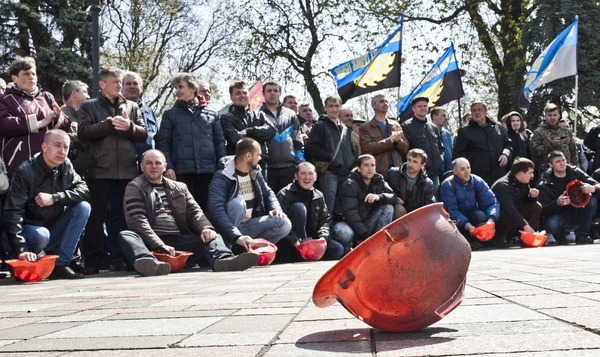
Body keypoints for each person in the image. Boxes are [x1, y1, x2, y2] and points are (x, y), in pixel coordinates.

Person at [119, 149, 259, 276]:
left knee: (212, 235)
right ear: (142, 166)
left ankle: (225, 260)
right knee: (126, 235)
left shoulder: (180, 187)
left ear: (165, 166)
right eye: (149, 163)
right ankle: (150, 264)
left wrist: (206, 228)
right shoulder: (134, 187)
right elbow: (137, 221)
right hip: (150, 243)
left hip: (178, 241)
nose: (154, 166)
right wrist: (160, 245)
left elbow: (195, 213)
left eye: (157, 163)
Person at [78, 66, 148, 274]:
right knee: (96, 217)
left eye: (120, 82)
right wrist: (108, 125)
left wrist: (130, 128)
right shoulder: (88, 106)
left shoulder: (132, 107)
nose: (120, 85)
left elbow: (143, 133)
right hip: (99, 170)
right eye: (115, 82)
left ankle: (122, 257)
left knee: (123, 217)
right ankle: (93, 260)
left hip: (127, 171)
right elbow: (83, 133)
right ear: (102, 85)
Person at [2, 130, 90, 279]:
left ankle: (61, 265)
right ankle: (25, 260)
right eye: (57, 145)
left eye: (65, 147)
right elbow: (12, 212)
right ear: (44, 147)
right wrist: (21, 249)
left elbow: (84, 189)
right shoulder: (26, 171)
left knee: (83, 207)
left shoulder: (65, 165)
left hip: (52, 229)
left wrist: (55, 198)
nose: (62, 151)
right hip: (28, 234)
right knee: (42, 235)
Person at [155, 73, 225, 209]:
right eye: (176, 87)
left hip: (208, 172)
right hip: (181, 173)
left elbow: (219, 143)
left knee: (207, 210)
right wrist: (168, 166)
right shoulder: (170, 114)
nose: (177, 91)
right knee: (184, 212)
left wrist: (221, 167)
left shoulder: (211, 113)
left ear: (193, 88)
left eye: (181, 87)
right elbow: (163, 142)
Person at [206, 138, 292, 250]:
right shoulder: (223, 176)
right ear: (248, 156)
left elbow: (268, 192)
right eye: (259, 155)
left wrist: (275, 208)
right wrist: (235, 236)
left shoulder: (255, 171)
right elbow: (216, 210)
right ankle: (226, 252)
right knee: (238, 204)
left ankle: (251, 251)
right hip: (227, 230)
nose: (260, 158)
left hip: (249, 226)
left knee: (284, 223)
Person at [0, 57, 70, 178]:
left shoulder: (47, 97)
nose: (31, 77)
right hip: (19, 167)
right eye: (26, 74)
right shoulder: (5, 99)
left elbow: (65, 128)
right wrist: (38, 123)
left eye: (33, 73)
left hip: (49, 166)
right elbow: (3, 125)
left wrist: (58, 117)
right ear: (14, 78)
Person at [276, 163, 345, 261]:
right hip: (292, 243)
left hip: (312, 241)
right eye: (303, 173)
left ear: (315, 177)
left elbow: (325, 221)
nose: (307, 177)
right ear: (296, 176)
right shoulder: (285, 193)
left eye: (310, 173)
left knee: (337, 249)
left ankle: (309, 256)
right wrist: (296, 242)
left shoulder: (319, 195)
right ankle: (301, 255)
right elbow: (280, 222)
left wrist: (323, 238)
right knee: (299, 208)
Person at [331, 154, 396, 254]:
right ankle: (354, 247)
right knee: (345, 233)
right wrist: (365, 236)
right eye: (366, 165)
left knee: (388, 208)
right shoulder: (350, 184)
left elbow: (393, 197)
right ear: (359, 168)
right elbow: (350, 214)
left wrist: (378, 197)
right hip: (347, 223)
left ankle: (380, 245)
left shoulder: (378, 180)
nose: (370, 169)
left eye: (372, 165)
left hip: (366, 222)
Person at [305, 95, 356, 214]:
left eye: (337, 106)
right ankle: (326, 232)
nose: (334, 109)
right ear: (325, 108)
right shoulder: (320, 126)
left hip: (346, 172)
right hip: (330, 173)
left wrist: (351, 161)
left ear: (341, 107)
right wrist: (329, 157)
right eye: (331, 106)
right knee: (328, 207)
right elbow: (311, 148)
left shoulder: (345, 128)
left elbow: (349, 149)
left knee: (345, 206)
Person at [439, 158, 500, 250]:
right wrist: (467, 225)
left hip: (472, 214)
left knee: (481, 216)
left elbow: (491, 201)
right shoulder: (448, 185)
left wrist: (491, 220)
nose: (467, 171)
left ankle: (480, 240)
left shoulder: (477, 180)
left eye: (468, 168)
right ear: (455, 172)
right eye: (462, 169)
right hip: (455, 220)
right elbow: (451, 210)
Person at [539, 151, 599, 245]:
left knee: (592, 199)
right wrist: (557, 203)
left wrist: (593, 188)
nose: (562, 163)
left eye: (563, 160)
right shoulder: (545, 182)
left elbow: (597, 185)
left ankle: (583, 236)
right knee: (551, 224)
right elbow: (543, 209)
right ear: (551, 164)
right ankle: (561, 238)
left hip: (578, 211)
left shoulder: (575, 172)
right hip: (559, 215)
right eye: (558, 161)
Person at [453, 101, 512, 187]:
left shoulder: (497, 127)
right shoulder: (465, 131)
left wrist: (505, 154)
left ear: (485, 111)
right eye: (474, 110)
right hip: (478, 177)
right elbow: (459, 155)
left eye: (479, 110)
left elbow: (508, 144)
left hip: (499, 175)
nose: (477, 112)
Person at [259, 82, 304, 193]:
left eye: (275, 90)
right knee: (270, 204)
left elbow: (298, 139)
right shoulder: (256, 114)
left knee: (290, 203)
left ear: (280, 93)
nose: (272, 93)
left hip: (289, 167)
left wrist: (299, 162)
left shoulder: (291, 114)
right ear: (263, 94)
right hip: (267, 168)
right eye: (269, 91)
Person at [220, 81, 276, 169]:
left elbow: (271, 131)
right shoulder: (226, 118)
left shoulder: (259, 115)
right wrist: (259, 136)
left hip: (260, 164)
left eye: (244, 92)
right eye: (238, 93)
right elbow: (235, 139)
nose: (242, 95)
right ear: (231, 97)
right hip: (239, 167)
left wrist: (249, 131)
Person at [491, 157, 542, 247]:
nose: (532, 176)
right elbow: (509, 209)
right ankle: (497, 238)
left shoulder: (523, 181)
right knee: (511, 213)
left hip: (513, 215)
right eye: (530, 173)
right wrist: (526, 226)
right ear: (521, 174)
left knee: (536, 206)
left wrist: (533, 196)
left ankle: (529, 238)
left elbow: (527, 200)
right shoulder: (503, 185)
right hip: (498, 220)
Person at [360, 94, 409, 179]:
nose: (385, 103)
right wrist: (389, 141)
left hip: (397, 171)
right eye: (381, 101)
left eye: (386, 101)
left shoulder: (395, 125)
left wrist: (398, 141)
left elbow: (405, 148)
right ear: (373, 105)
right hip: (378, 172)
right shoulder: (365, 127)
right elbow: (366, 148)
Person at [401, 97, 443, 189]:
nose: (423, 108)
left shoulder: (433, 127)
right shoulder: (406, 126)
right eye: (419, 106)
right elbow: (404, 150)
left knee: (434, 200)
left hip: (434, 173)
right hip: (416, 174)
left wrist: (440, 160)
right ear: (413, 109)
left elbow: (440, 148)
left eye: (425, 106)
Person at [387, 148, 435, 219]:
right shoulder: (393, 173)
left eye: (415, 162)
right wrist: (393, 198)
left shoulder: (427, 183)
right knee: (399, 208)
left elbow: (429, 206)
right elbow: (382, 190)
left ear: (423, 164)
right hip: (396, 212)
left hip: (416, 216)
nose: (410, 164)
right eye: (409, 160)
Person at [122, 72, 158, 162]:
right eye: (128, 84)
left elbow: (157, 139)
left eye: (135, 83)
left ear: (141, 88)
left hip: (149, 165)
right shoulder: (117, 109)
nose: (132, 86)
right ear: (122, 88)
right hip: (126, 166)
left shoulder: (149, 112)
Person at [532, 103, 577, 174]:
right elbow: (534, 152)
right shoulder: (538, 132)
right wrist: (552, 144)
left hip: (567, 169)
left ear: (559, 116)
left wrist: (575, 168)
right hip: (547, 171)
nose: (552, 118)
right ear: (545, 116)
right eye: (549, 115)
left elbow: (573, 152)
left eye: (555, 115)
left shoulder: (566, 131)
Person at [61, 80, 90, 177]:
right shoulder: (60, 116)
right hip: (67, 173)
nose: (88, 96)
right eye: (85, 92)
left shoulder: (84, 115)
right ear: (74, 93)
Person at [431, 107, 453, 177]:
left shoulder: (447, 134)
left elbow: (450, 152)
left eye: (446, 115)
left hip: (449, 172)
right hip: (435, 173)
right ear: (434, 116)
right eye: (443, 115)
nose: (446, 118)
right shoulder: (427, 131)